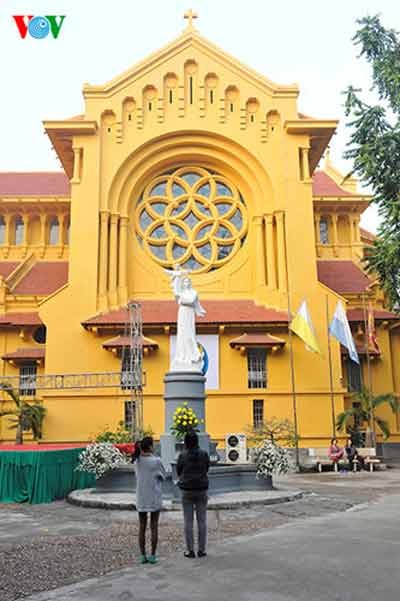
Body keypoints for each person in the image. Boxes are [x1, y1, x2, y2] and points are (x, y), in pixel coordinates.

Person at [132, 436, 166, 564]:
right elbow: (162, 476)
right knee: (154, 526)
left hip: (141, 497)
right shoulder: (156, 461)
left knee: (142, 526)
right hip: (154, 496)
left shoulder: (137, 461)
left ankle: (142, 555)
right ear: (150, 447)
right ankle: (152, 555)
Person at [177, 430, 210, 558]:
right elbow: (207, 468)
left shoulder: (182, 455)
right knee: (202, 520)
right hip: (201, 488)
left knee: (188, 521)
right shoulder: (204, 454)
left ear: (185, 442)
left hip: (187, 490)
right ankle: (201, 550)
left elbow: (179, 470)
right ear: (197, 441)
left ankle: (190, 550)